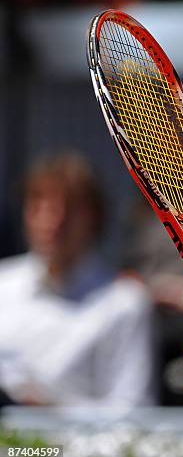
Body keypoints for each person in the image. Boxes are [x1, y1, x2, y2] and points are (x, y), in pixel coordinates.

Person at [0, 153, 155, 407]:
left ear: (94, 216)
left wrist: (51, 410)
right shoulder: (2, 283)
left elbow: (133, 411)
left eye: (69, 208)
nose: (52, 221)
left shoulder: (125, 302)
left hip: (69, 447)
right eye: (39, 205)